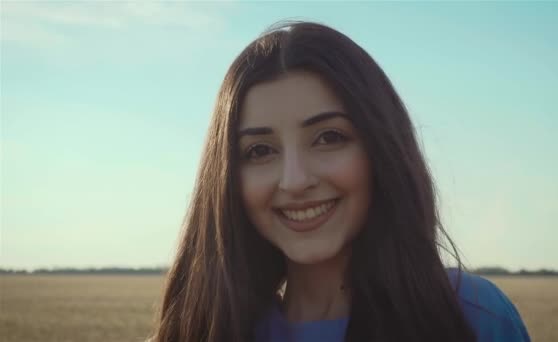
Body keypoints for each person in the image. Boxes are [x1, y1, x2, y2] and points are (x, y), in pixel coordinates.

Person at [149, 21, 531, 342]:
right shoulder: (200, 332)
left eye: (329, 137)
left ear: (381, 149)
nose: (294, 181)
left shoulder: (474, 318)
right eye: (260, 151)